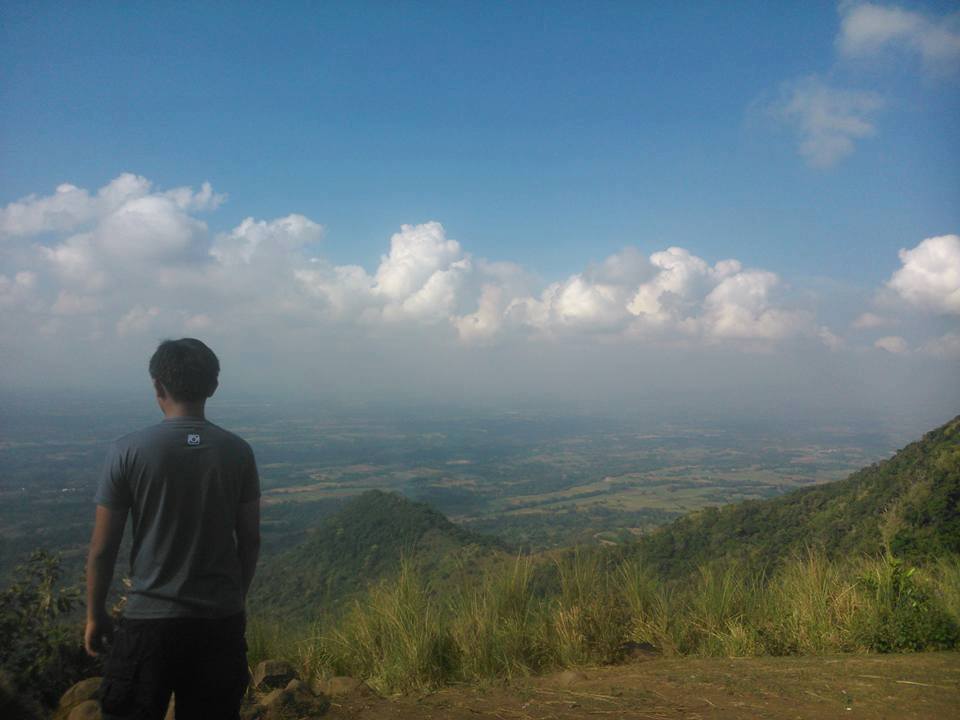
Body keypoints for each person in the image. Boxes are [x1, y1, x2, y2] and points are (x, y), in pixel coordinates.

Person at [84, 338, 261, 720]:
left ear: (157, 386)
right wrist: (236, 597)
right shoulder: (238, 451)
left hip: (148, 621)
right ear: (213, 386)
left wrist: (95, 613)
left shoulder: (127, 451)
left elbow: (103, 548)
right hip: (219, 622)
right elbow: (249, 539)